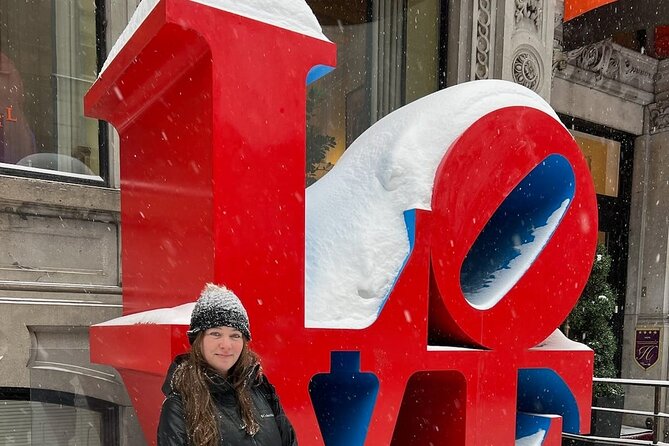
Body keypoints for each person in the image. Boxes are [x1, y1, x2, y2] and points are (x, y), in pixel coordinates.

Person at [158, 283, 297, 445]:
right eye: (216, 334)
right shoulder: (179, 406)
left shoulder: (261, 389)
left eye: (235, 335)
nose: (226, 345)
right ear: (198, 340)